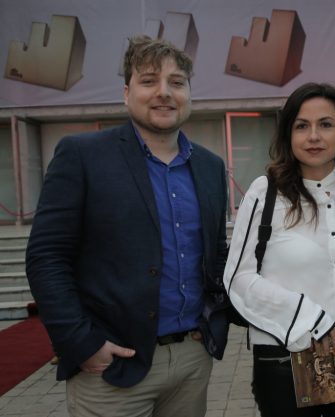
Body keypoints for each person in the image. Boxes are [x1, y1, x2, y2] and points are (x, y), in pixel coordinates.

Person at [25, 36, 230, 417]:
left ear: (189, 93)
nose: (164, 92)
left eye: (177, 82)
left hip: (192, 359)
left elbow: (216, 253)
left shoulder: (210, 166)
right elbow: (46, 257)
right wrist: (81, 342)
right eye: (149, 81)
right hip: (111, 367)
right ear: (126, 93)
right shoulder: (82, 156)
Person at [223, 82, 335, 417]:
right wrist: (310, 318)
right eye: (301, 126)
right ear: (288, 134)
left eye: (325, 124)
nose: (313, 136)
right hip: (284, 361)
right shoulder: (265, 193)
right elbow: (238, 278)